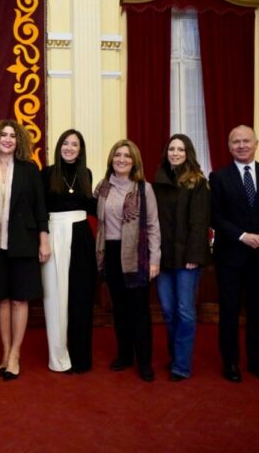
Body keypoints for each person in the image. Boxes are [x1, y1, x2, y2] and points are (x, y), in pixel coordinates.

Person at [209, 125, 259, 384]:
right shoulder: (218, 177)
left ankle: (258, 362)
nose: (241, 145)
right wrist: (242, 235)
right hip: (230, 254)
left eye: (246, 141)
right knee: (230, 311)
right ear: (229, 146)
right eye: (236, 142)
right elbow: (215, 216)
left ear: (256, 144)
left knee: (258, 312)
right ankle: (230, 363)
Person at [0, 119, 49, 381]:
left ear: (19, 141)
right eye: (3, 135)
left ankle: (16, 353)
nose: (8, 139)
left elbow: (40, 208)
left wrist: (44, 240)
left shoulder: (30, 170)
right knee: (3, 299)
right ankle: (5, 350)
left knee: (20, 298)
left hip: (24, 244)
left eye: (12, 136)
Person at [93, 139, 160, 382]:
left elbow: (153, 226)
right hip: (110, 253)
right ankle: (124, 355)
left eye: (127, 156)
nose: (121, 159)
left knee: (139, 311)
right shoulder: (102, 187)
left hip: (136, 255)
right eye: (117, 155)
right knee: (119, 309)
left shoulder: (144, 188)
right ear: (111, 159)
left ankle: (144, 361)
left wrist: (155, 259)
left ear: (134, 162)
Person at [153, 134, 210, 381]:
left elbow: (200, 222)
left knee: (185, 311)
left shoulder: (197, 182)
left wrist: (195, 255)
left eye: (181, 149)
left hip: (188, 257)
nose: (175, 153)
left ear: (188, 153)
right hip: (164, 257)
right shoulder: (157, 182)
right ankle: (176, 355)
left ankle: (181, 365)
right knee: (167, 310)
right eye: (171, 149)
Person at [41, 130, 96, 374]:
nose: (70, 148)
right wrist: (42, 240)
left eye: (75, 144)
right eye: (66, 143)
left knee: (81, 297)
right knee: (55, 298)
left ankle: (81, 358)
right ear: (59, 146)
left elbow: (91, 206)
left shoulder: (87, 174)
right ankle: (59, 357)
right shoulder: (47, 173)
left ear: (81, 150)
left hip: (82, 236)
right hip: (54, 235)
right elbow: (40, 209)